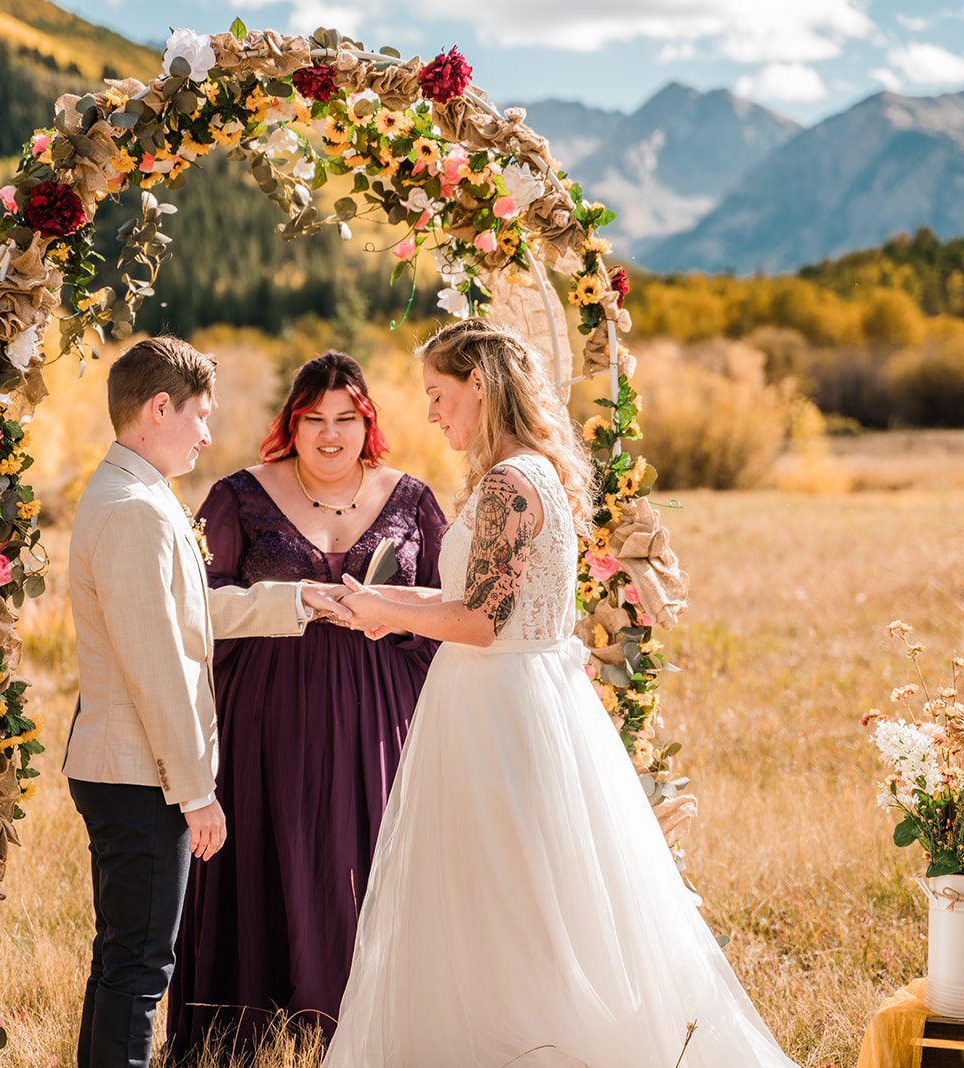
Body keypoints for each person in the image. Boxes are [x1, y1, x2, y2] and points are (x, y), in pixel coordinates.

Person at [324, 318, 799, 1067]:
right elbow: (483, 605)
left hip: (501, 711)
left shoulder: (512, 484)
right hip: (512, 694)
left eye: (439, 394)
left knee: (512, 897)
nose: (433, 413)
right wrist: (386, 609)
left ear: (478, 384)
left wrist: (386, 611)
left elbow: (481, 622)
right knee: (510, 892)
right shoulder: (522, 474)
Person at [61, 336, 348, 1068]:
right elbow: (158, 667)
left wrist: (298, 601)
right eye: (201, 416)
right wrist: (196, 794)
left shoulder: (139, 493)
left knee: (121, 957)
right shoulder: (134, 509)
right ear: (160, 408)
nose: (208, 434)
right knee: (140, 968)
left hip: (125, 766)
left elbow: (193, 613)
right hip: (138, 775)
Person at [168, 353, 446, 1059]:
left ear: (367, 423)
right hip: (267, 722)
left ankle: (370, 1035)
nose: (330, 434)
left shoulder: (411, 500)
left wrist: (395, 622)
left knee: (366, 865)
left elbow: (449, 612)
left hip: (378, 722)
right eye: (313, 419)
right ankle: (249, 1037)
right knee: (271, 859)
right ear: (289, 423)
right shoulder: (238, 496)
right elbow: (198, 612)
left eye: (346, 419)